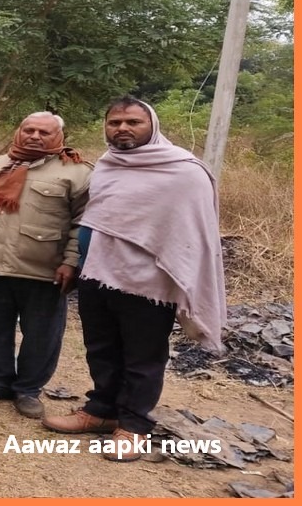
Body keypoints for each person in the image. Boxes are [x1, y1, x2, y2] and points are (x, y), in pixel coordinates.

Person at [42, 97, 226, 462]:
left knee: (142, 357)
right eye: (114, 122)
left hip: (149, 283)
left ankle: (135, 426)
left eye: (132, 122)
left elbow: (193, 234)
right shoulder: (109, 165)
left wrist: (179, 273)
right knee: (101, 349)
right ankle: (101, 411)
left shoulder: (184, 171)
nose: (122, 129)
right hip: (98, 273)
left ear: (152, 126)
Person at [0, 112, 92, 418]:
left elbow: (83, 223)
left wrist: (72, 262)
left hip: (45, 270)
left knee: (42, 333)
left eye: (43, 132)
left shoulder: (76, 172)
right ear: (19, 132)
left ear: (59, 136)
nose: (34, 136)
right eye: (28, 130)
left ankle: (28, 390)